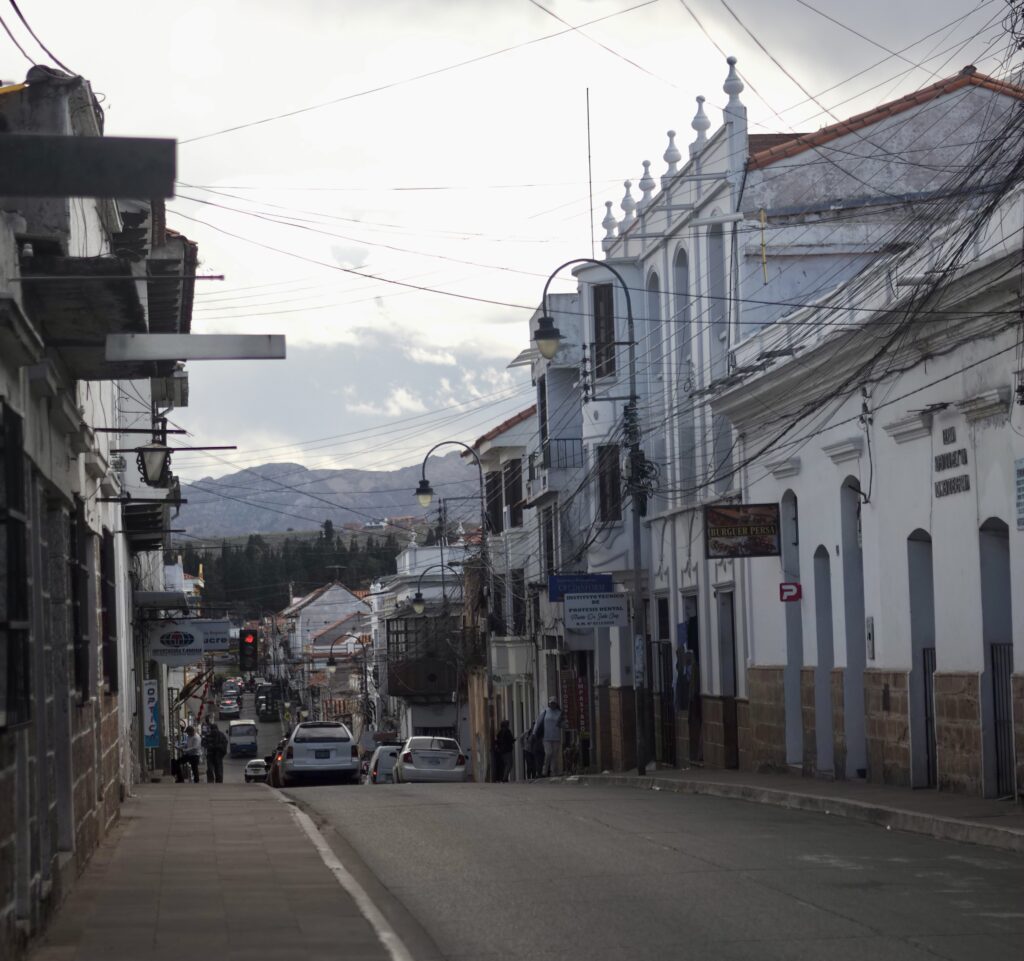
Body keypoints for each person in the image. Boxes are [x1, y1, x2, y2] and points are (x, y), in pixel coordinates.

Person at [531, 698, 566, 778]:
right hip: (546, 737)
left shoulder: (559, 713)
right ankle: (544, 770)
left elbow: (563, 724)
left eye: (554, 703)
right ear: (549, 704)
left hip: (556, 736)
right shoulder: (545, 712)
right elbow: (538, 722)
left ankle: (553, 772)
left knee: (554, 755)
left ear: (556, 704)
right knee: (548, 753)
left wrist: (562, 723)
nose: (552, 705)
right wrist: (534, 732)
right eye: (551, 703)